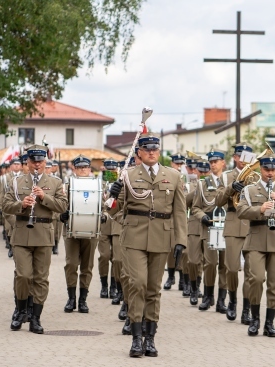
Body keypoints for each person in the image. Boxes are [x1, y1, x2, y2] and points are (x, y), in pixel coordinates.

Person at [108, 133, 187, 358]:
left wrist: (181, 240)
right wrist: (111, 196)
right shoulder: (128, 175)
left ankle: (150, 338)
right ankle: (135, 338)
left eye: (155, 148)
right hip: (134, 236)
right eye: (147, 148)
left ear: (159, 151)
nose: (151, 152)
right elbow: (112, 210)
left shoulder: (172, 176)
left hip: (161, 237)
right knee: (137, 284)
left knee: (153, 288)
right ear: (139, 153)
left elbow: (180, 211)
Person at [2, 145, 67, 334]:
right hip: (22, 232)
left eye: (40, 161)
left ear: (45, 162)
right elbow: (5, 205)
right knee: (23, 275)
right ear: (28, 163)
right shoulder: (16, 182)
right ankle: (21, 310)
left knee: (40, 278)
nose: (37, 164)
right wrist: (21, 205)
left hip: (44, 234)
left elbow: (62, 206)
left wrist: (44, 197)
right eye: (33, 161)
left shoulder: (55, 182)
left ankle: (36, 317)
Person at [236, 151, 275, 337]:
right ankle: (254, 319)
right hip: (255, 238)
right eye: (266, 169)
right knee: (255, 279)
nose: (270, 173)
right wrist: (260, 209)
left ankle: (269, 323)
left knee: (274, 284)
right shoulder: (249, 190)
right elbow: (241, 211)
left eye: (273, 169)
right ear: (261, 169)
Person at [215, 144, 254, 322]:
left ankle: (246, 308)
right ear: (235, 157)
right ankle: (232, 300)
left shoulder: (256, 177)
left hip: (253, 225)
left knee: (251, 271)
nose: (244, 159)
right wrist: (232, 187)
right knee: (231, 268)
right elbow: (218, 201)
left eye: (248, 155)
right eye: (241, 155)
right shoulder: (226, 176)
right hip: (233, 223)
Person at [60, 155, 99, 314]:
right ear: (74, 169)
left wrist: (103, 214)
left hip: (91, 230)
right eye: (80, 167)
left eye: (86, 167)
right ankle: (71, 298)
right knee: (71, 264)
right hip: (71, 228)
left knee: (87, 265)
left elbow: (103, 203)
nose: (83, 170)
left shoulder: (97, 184)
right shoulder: (66, 185)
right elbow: (60, 202)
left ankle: (83, 299)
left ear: (90, 169)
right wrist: (61, 214)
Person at [194, 151, 228, 312]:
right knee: (210, 263)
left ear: (223, 163)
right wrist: (202, 217)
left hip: (226, 227)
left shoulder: (229, 182)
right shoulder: (202, 184)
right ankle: (208, 296)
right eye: (211, 161)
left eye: (216, 161)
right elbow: (195, 207)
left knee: (225, 264)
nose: (213, 164)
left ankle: (222, 299)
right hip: (209, 227)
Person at [164, 153, 186, 292]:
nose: (179, 166)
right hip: (171, 217)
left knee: (184, 250)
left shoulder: (190, 179)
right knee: (171, 248)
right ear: (172, 164)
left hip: (186, 217)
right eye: (176, 164)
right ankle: (171, 276)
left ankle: (183, 279)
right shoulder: (169, 177)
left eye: (181, 164)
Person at [98, 158, 119, 299]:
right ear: (103, 169)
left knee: (116, 258)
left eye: (113, 169)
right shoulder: (98, 184)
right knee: (104, 256)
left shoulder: (121, 184)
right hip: (104, 224)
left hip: (117, 224)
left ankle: (113, 286)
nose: (111, 171)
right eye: (108, 169)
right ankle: (104, 285)